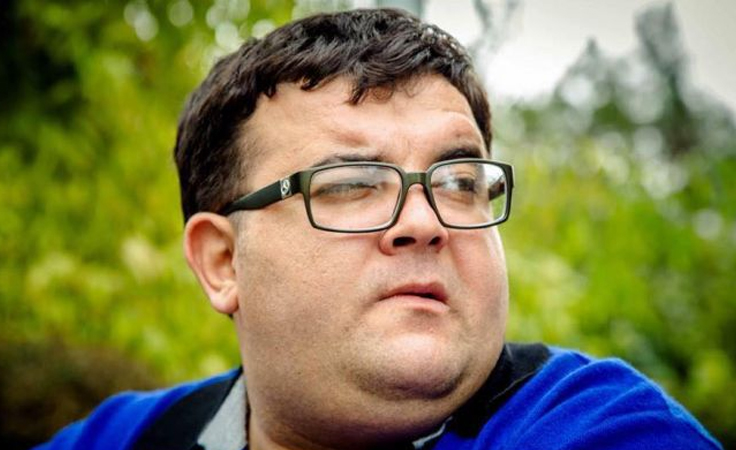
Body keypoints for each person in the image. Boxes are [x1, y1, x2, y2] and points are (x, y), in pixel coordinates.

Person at [36, 8, 721, 450]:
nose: (424, 221)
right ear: (222, 261)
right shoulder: (123, 437)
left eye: (459, 182)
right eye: (350, 185)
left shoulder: (597, 428)